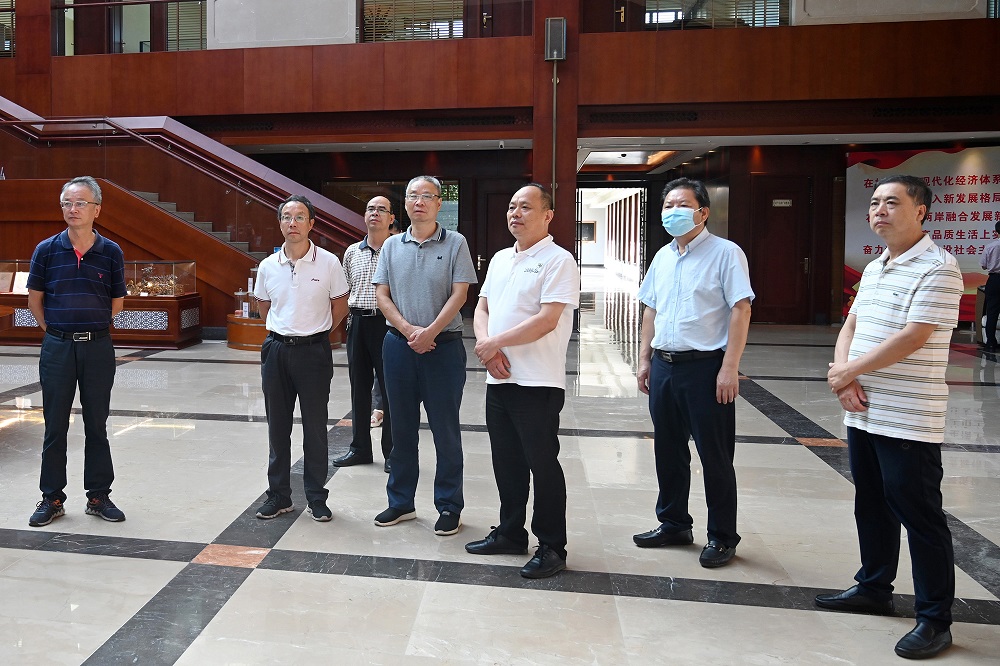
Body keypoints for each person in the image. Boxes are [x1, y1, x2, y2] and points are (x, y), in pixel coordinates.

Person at [817, 175, 963, 660]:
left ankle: (934, 619)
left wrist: (849, 372)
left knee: (919, 516)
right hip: (863, 410)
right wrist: (844, 375)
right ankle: (874, 587)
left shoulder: (939, 268)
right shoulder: (876, 266)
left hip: (908, 416)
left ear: (920, 211)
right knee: (872, 505)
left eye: (892, 202)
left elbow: (914, 336)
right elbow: (851, 325)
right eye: (875, 202)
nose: (879, 210)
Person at [633, 177, 754, 568]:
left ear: (702, 212)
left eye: (682, 205)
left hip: (706, 368)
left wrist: (730, 367)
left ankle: (722, 536)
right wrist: (645, 359)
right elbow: (651, 309)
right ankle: (673, 524)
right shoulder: (663, 256)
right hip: (664, 366)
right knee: (668, 451)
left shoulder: (726, 253)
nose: (673, 212)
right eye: (668, 206)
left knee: (714, 455)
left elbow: (741, 309)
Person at [465, 184, 579, 579]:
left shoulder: (558, 260)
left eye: (526, 207)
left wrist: (495, 343)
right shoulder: (500, 258)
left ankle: (552, 546)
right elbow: (482, 307)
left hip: (538, 381)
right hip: (499, 378)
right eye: (512, 206)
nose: (515, 213)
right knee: (507, 462)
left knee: (542, 464)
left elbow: (547, 319)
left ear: (548, 215)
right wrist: (487, 347)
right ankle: (511, 532)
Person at [372, 175, 477, 536]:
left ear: (439, 203)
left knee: (445, 430)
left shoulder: (456, 243)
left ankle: (449, 505)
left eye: (427, 196)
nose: (419, 202)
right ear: (405, 203)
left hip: (442, 348)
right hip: (398, 347)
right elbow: (381, 294)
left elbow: (460, 294)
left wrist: (430, 331)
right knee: (401, 429)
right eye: (413, 196)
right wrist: (408, 330)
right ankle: (401, 502)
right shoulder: (391, 245)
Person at [26, 176, 127, 527]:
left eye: (81, 203)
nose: (73, 209)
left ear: (96, 209)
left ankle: (98, 496)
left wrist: (91, 328)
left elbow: (117, 302)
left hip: (97, 347)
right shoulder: (46, 250)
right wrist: (55, 332)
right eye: (67, 203)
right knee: (54, 426)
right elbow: (35, 300)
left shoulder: (111, 252)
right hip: (57, 348)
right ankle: (52, 498)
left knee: (96, 424)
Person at [252, 195, 348, 522]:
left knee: (315, 428)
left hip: (314, 352)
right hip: (276, 351)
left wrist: (316, 333)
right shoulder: (268, 266)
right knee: (277, 428)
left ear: (311, 224)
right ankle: (278, 496)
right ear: (280, 223)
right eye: (287, 217)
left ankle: (316, 497)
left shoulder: (329, 263)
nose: (292, 223)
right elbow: (265, 307)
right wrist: (287, 330)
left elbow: (340, 305)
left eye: (299, 217)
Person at [334, 196, 395, 473]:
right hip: (357, 323)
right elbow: (345, 288)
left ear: (391, 218)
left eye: (382, 210)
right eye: (371, 209)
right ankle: (359, 448)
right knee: (359, 388)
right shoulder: (351, 252)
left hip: (387, 325)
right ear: (365, 215)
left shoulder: (397, 249)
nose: (375, 213)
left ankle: (392, 452)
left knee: (390, 389)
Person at [980, 220, 1000, 352]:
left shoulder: (990, 246)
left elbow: (983, 265)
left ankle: (991, 343)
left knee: (992, 312)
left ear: (996, 231)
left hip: (994, 280)